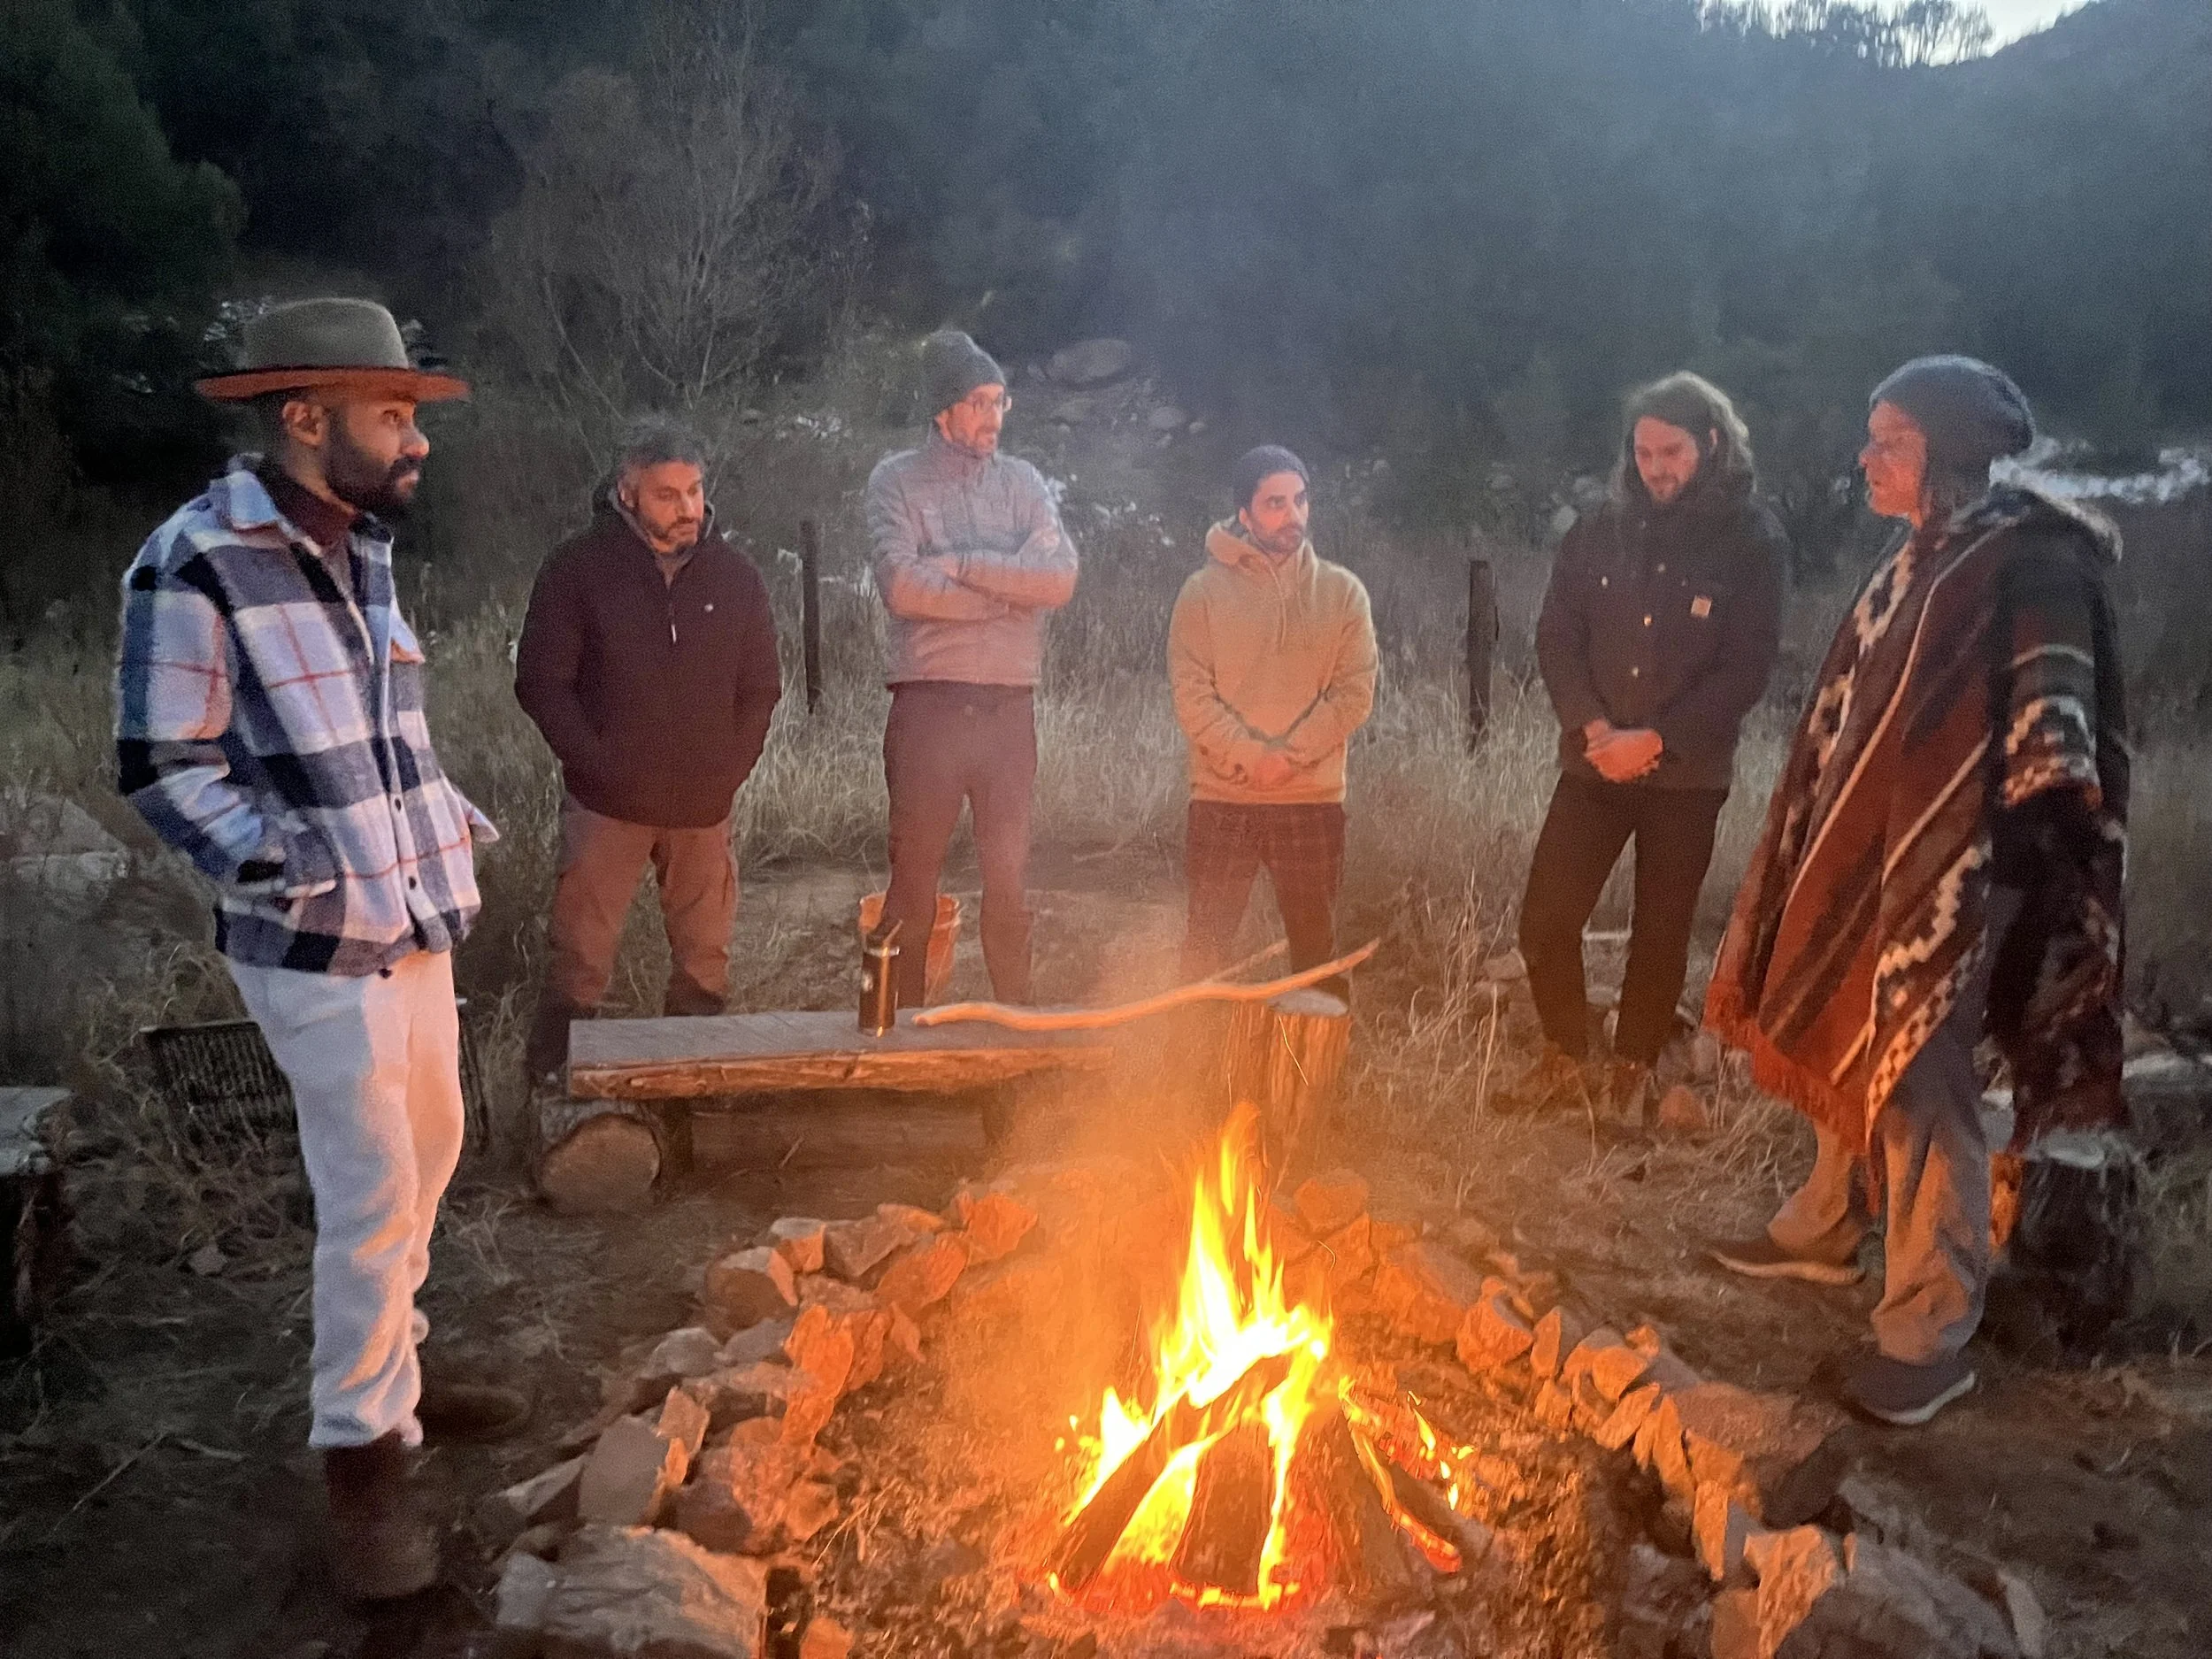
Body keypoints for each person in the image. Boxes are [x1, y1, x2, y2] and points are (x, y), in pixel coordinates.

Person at [114, 297, 524, 1601]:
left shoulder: (362, 549)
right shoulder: (192, 561)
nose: (417, 439)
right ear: (303, 417)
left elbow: (383, 737)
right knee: (370, 1192)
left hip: (415, 917)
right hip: (313, 941)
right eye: (392, 415)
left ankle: (395, 1367)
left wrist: (439, 824)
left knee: (434, 1150)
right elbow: (163, 763)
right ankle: (362, 1460)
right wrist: (294, 868)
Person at [1704, 356, 2128, 1426]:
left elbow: (2057, 742)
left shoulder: (2033, 561)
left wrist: (1974, 872)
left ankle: (1928, 1334)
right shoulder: (1917, 557)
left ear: (1942, 452)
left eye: (1888, 441)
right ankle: (1822, 1227)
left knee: (1919, 1076)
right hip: (1876, 862)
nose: (1866, 459)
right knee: (1844, 1020)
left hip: (1969, 873)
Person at [1515, 373, 1786, 1116]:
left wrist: (1657, 739)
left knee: (1661, 933)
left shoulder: (1752, 541)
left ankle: (1632, 1069)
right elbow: (1557, 636)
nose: (1656, 468)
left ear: (1712, 444)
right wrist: (1597, 729)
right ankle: (1569, 1053)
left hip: (1687, 776)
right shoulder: (1598, 528)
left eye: (1672, 452)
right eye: (1643, 452)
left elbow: (1746, 667)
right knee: (1545, 921)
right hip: (1595, 763)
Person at [514, 418, 781, 1087]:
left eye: (695, 490)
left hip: (703, 808)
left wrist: (729, 771)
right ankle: (555, 1098)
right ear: (628, 492)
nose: (688, 508)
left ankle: (688, 1094)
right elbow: (541, 682)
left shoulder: (735, 576)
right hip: (606, 806)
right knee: (579, 961)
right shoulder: (578, 568)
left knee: (704, 963)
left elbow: (761, 689)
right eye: (668, 494)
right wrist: (595, 764)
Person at [864, 329, 1078, 1007]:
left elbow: (1058, 578)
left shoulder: (1022, 483)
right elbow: (903, 586)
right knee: (913, 882)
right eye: (978, 401)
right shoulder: (896, 480)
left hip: (1009, 714)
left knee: (1009, 883)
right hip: (929, 709)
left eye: (999, 400)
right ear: (943, 410)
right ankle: (894, 1029)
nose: (993, 416)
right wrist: (1006, 596)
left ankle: (1013, 1023)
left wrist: (960, 565)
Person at [1169, 446, 1378, 989]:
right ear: (1245, 513)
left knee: (1315, 952)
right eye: (1276, 503)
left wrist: (1290, 758)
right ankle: (1195, 1043)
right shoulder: (1201, 594)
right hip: (1223, 796)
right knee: (1205, 949)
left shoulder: (1343, 593)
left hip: (1310, 797)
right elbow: (1192, 696)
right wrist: (1250, 756)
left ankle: (1309, 1048)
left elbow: (1353, 694)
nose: (1294, 515)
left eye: (1300, 500)